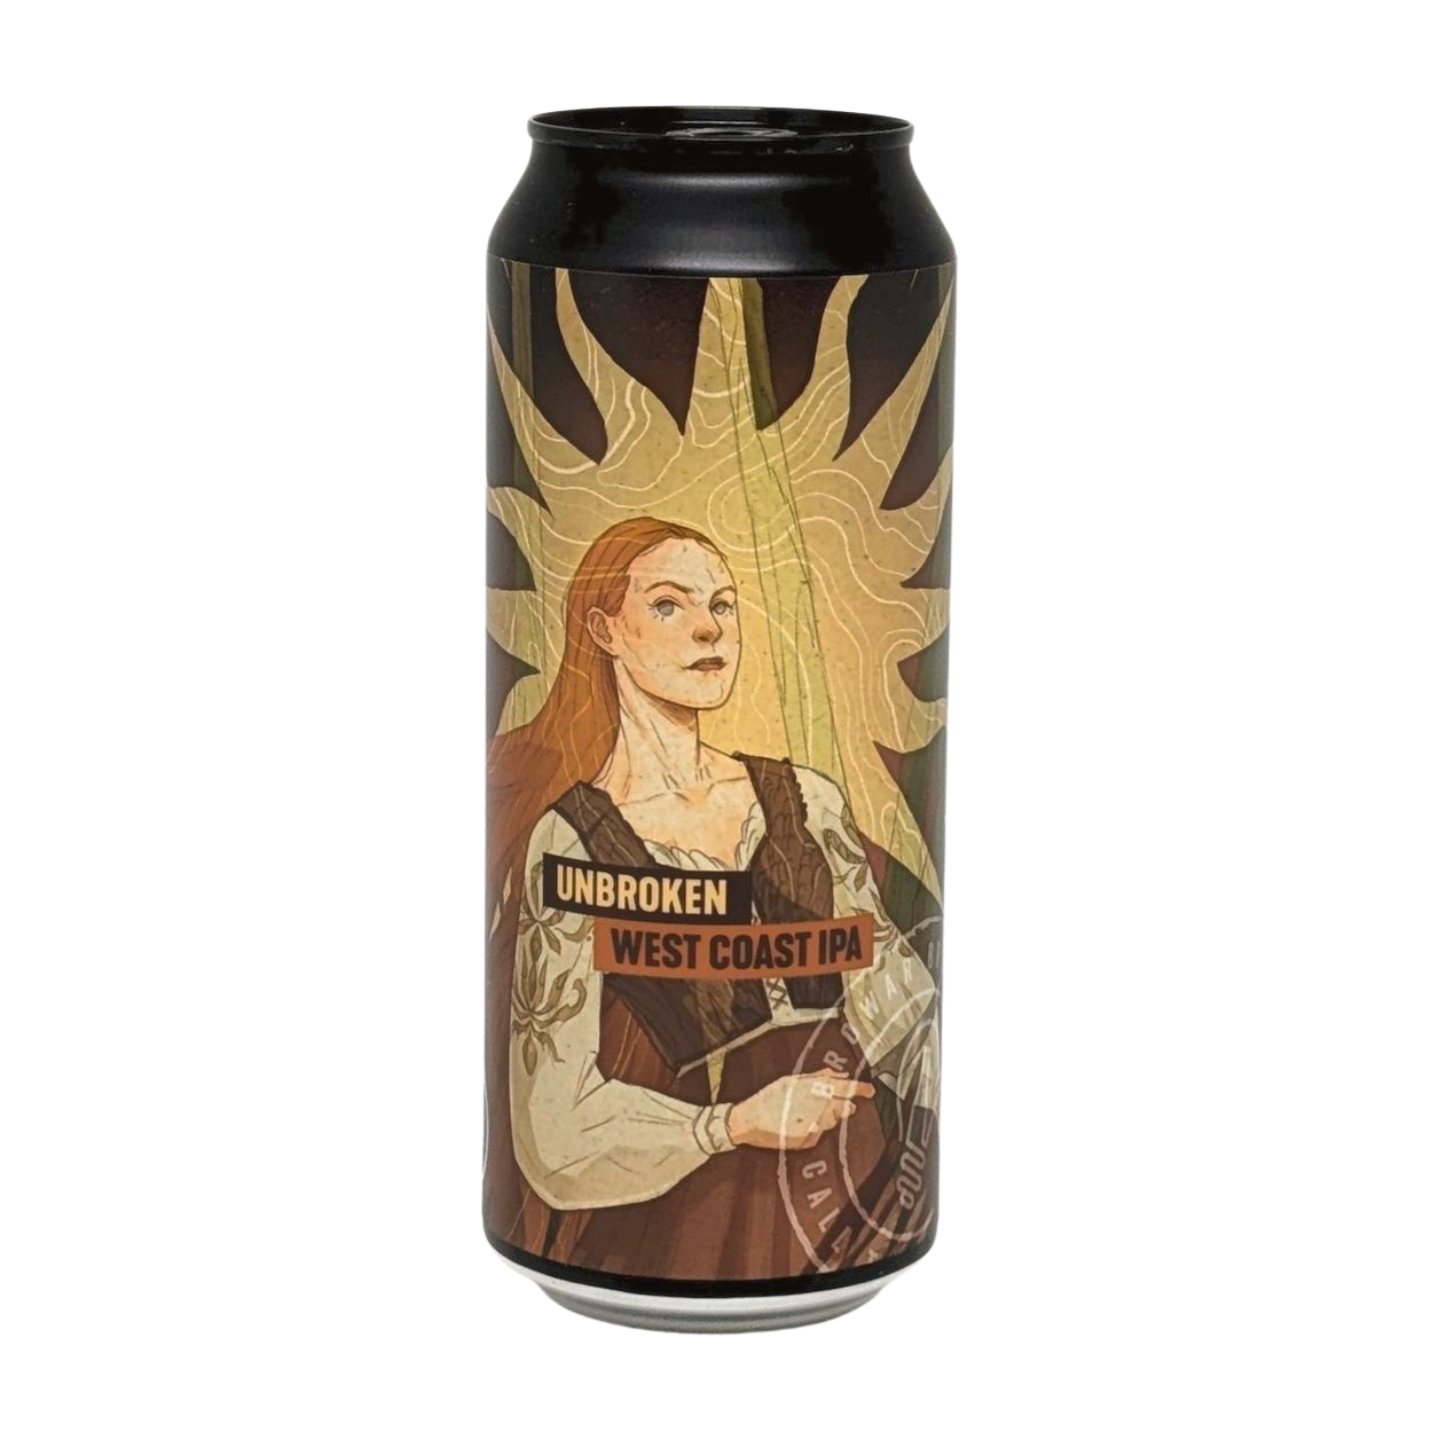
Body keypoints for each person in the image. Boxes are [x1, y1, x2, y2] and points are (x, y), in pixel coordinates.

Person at [486, 517, 938, 1281]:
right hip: (684, 1224)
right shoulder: (574, 839)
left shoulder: (808, 802)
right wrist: (731, 1125)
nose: (709, 628)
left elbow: (898, 1004)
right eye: (669, 605)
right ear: (604, 630)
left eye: (723, 605)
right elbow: (552, 1131)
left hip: (849, 1199)